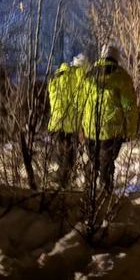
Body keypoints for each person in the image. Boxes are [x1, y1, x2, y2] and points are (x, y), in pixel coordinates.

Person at [81, 44, 138, 193]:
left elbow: (82, 102)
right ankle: (105, 193)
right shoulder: (122, 77)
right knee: (106, 164)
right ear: (116, 58)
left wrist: (82, 126)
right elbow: (129, 106)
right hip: (111, 131)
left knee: (93, 162)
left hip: (90, 129)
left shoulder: (90, 74)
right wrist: (130, 130)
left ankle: (88, 192)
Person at [47, 53, 89, 186]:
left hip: (56, 122)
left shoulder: (58, 74)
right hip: (70, 125)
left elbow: (52, 95)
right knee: (68, 160)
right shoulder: (80, 77)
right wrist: (82, 128)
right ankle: (61, 185)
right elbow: (82, 104)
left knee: (62, 158)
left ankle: (60, 183)